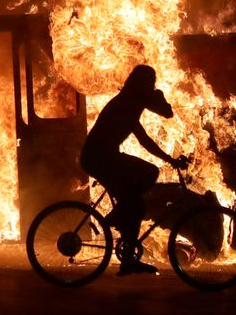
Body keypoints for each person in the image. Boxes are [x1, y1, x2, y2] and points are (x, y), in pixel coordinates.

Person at [79, 64, 188, 276]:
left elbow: (145, 139)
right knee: (145, 181)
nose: (153, 86)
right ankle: (118, 216)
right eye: (151, 83)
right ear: (142, 84)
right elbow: (166, 113)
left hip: (104, 157)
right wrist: (159, 97)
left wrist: (169, 160)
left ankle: (126, 247)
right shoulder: (128, 104)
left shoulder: (129, 103)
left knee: (135, 206)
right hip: (98, 158)